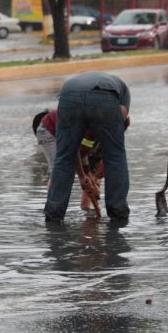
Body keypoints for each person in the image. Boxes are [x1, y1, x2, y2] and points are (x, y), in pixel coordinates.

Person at [44, 71, 130, 224]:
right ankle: (118, 214)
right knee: (115, 156)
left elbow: (78, 149)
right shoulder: (124, 91)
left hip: (68, 95)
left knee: (64, 158)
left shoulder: (82, 81)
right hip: (104, 96)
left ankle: (53, 215)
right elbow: (121, 116)